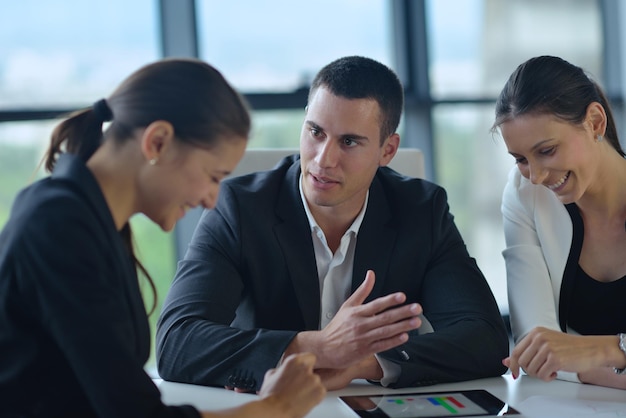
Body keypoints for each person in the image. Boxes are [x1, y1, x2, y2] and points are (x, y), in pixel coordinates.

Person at [156, 55, 509, 392]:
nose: (324, 160)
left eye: (349, 141)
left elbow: (485, 338)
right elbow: (176, 342)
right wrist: (319, 347)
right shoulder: (238, 208)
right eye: (316, 132)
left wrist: (364, 363)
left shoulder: (421, 211)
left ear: (387, 151)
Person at [0, 58, 326, 417]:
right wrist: (275, 408)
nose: (211, 199)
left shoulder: (92, 220)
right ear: (157, 142)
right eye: (212, 175)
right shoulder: (59, 225)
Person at [492, 55, 626, 389]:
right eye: (521, 159)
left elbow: (558, 354)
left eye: (547, 150)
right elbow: (538, 348)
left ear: (595, 122)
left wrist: (604, 349)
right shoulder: (524, 193)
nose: (536, 176)